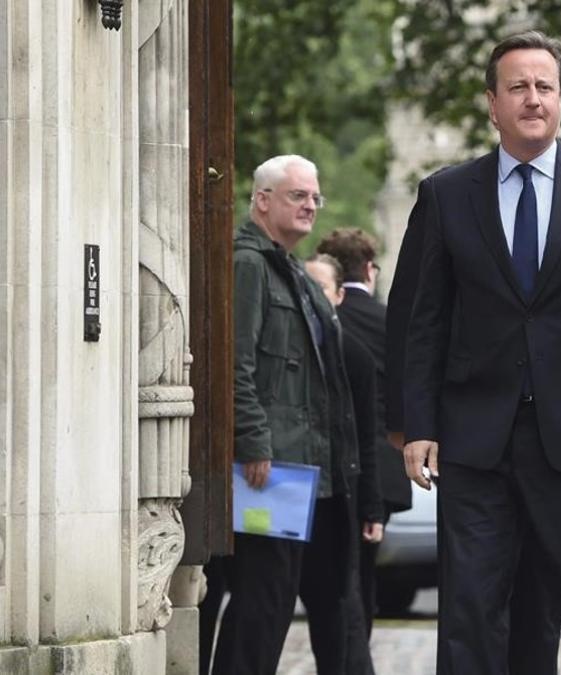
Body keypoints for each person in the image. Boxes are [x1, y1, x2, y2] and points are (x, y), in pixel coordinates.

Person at [390, 30, 561, 675]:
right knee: (471, 604)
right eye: (517, 87)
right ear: (492, 103)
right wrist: (416, 425)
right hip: (475, 436)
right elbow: (420, 318)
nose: (533, 98)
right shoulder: (447, 193)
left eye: (544, 86)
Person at [214, 154, 361, 674]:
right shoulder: (249, 263)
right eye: (297, 195)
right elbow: (234, 363)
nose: (309, 206)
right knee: (263, 601)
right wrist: (253, 443)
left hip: (308, 469)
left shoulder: (291, 269)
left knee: (288, 601)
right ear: (262, 200)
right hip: (268, 469)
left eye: (314, 197)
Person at [316, 228, 413, 629]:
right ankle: (358, 648)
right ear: (369, 269)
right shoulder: (390, 320)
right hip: (381, 466)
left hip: (328, 460)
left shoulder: (323, 317)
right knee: (363, 576)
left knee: (328, 575)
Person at [306, 253, 388, 675]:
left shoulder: (352, 353)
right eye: (306, 284)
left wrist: (371, 508)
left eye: (320, 286)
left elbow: (367, 439)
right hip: (292, 491)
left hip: (341, 493)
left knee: (342, 603)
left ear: (339, 295)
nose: (311, 294)